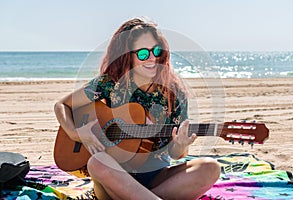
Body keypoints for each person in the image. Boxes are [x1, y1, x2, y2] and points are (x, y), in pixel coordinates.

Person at [54, 17, 220, 200]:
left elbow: (177, 154)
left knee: (210, 167)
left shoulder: (174, 92)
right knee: (97, 162)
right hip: (114, 178)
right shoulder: (110, 83)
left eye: (156, 51)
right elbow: (62, 105)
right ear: (127, 55)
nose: (152, 58)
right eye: (142, 53)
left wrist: (180, 144)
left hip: (156, 176)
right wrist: (76, 133)